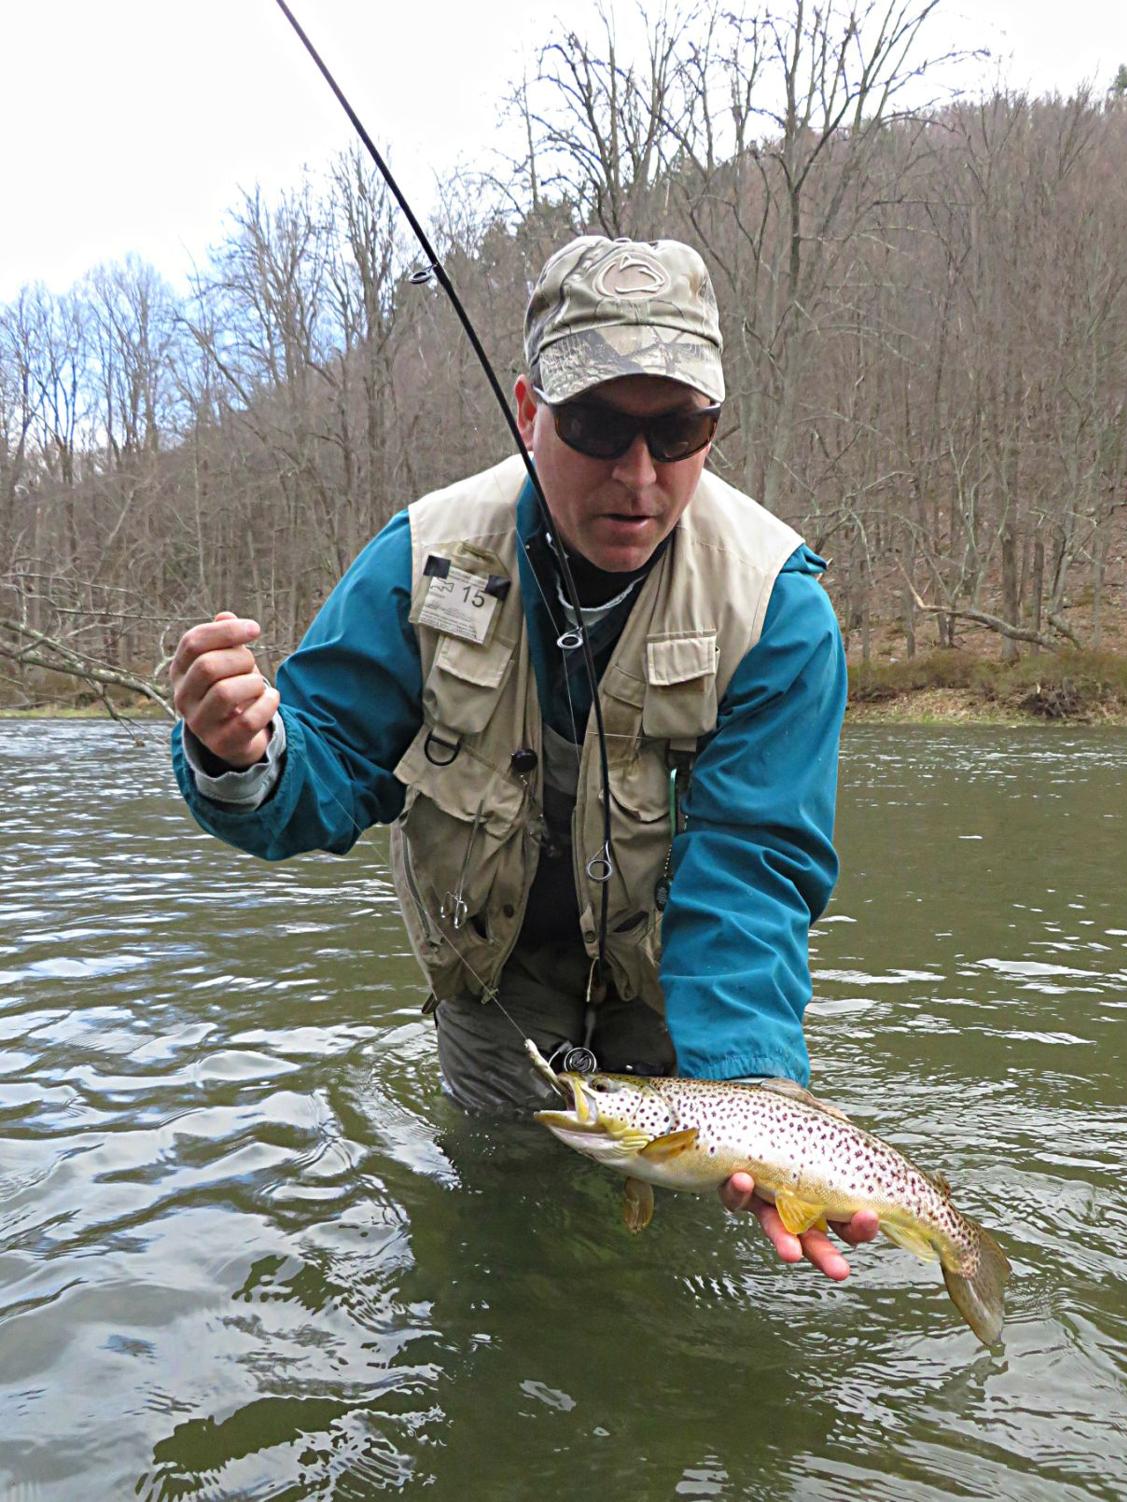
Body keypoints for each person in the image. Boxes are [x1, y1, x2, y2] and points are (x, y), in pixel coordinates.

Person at [170, 234, 878, 1278]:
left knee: (671, 1274)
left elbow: (754, 873)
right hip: (498, 1000)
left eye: (676, 429)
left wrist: (752, 1092)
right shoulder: (419, 561)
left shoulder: (778, 611)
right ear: (529, 409)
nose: (638, 475)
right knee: (498, 1256)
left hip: (678, 1008)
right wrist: (240, 753)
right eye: (595, 424)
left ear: (712, 430)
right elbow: (326, 770)